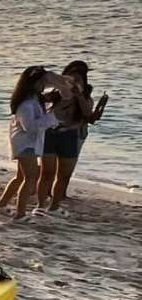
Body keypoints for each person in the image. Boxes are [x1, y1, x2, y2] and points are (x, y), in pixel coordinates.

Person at [38, 59, 106, 211]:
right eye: (70, 79)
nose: (74, 83)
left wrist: (79, 95)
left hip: (70, 136)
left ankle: (54, 207)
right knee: (46, 173)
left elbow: (88, 113)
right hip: (51, 133)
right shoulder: (56, 95)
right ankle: (40, 205)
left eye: (78, 80)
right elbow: (38, 99)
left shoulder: (86, 99)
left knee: (63, 175)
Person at [0, 66, 59, 220]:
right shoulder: (26, 104)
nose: (44, 86)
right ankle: (20, 213)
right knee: (30, 177)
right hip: (24, 143)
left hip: (27, 143)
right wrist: (51, 117)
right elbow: (29, 126)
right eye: (42, 82)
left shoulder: (34, 100)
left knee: (21, 176)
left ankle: (1, 204)